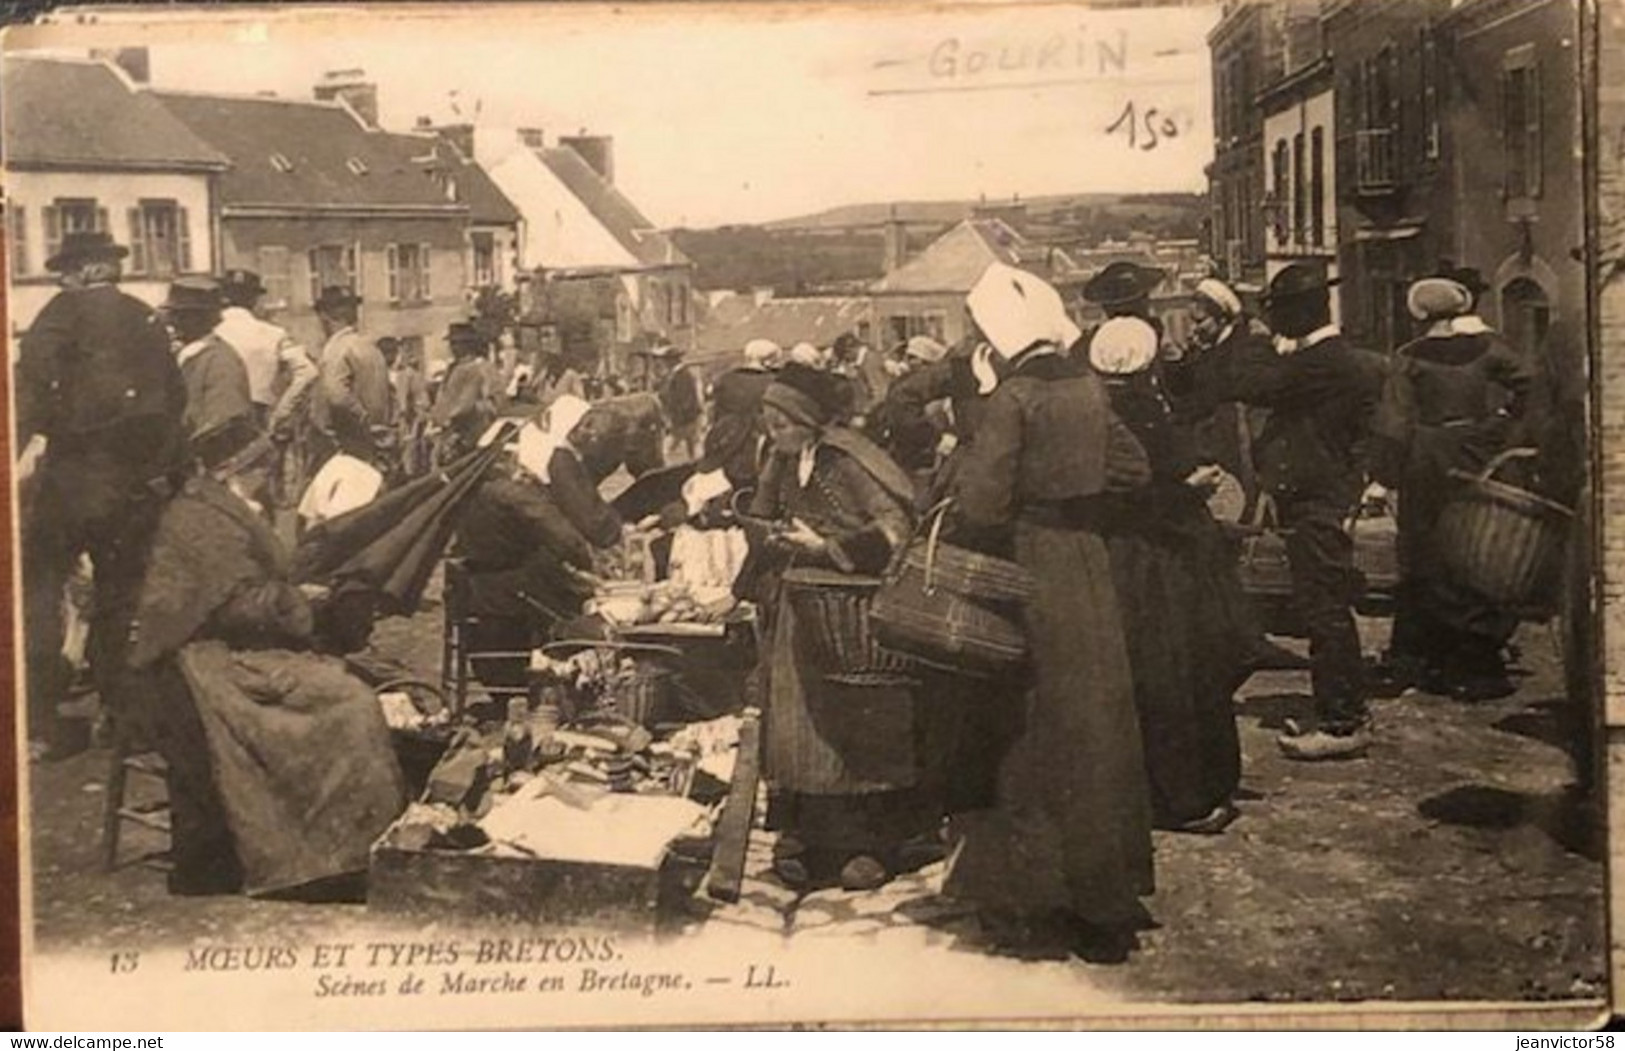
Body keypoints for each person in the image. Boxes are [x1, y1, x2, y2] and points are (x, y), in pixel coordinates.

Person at [942, 262, 1155, 963]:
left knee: (1036, 732)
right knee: (1099, 723)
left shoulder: (1014, 398)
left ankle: (1041, 897)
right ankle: (1106, 898)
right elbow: (1135, 470)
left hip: (1031, 561)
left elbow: (980, 504)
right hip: (1088, 559)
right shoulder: (1089, 387)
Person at [123, 434, 407, 896]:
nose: (270, 477)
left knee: (346, 689)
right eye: (262, 469)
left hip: (227, 648)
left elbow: (245, 591)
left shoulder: (220, 508)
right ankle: (320, 853)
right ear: (236, 469)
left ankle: (341, 846)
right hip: (197, 660)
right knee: (346, 701)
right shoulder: (202, 521)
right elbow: (233, 606)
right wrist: (299, 601)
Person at [740, 362, 941, 893]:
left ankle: (868, 844)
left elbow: (898, 529)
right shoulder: (784, 460)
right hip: (798, 610)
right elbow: (763, 515)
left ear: (808, 420)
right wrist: (764, 531)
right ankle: (807, 837)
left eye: (781, 422)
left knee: (854, 724)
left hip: (850, 608)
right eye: (767, 422)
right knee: (797, 722)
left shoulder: (848, 461)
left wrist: (830, 548)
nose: (773, 432)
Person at [16, 230, 187, 760]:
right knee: (122, 598)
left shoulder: (58, 316)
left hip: (72, 479)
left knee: (39, 591)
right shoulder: (147, 319)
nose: (61, 278)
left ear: (87, 270)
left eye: (67, 269)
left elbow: (28, 399)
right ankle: (121, 716)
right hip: (133, 486)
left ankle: (39, 722)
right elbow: (175, 403)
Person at [1218, 263, 1387, 760]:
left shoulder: (1324, 362)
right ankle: (1339, 708)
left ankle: (1343, 722)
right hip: (1318, 491)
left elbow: (1246, 382)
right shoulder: (1326, 358)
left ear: (1299, 312)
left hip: (1318, 497)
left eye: (1277, 310)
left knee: (1325, 607)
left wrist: (1253, 331)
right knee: (1322, 604)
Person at [1085, 317, 1246, 834]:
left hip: (1112, 554)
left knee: (1132, 673)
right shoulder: (1145, 411)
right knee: (1180, 668)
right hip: (1160, 557)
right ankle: (1187, 794)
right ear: (1147, 363)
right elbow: (1157, 487)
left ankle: (1141, 790)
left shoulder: (1089, 409)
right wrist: (1194, 485)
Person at [1369, 277, 1535, 701]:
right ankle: (1477, 655)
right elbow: (1529, 384)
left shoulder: (1407, 359)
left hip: (1427, 457)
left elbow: (1394, 425)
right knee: (1476, 547)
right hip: (1476, 452)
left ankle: (1427, 657)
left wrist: (1382, 478)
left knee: (1425, 550)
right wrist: (1499, 424)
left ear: (1418, 315)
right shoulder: (1487, 348)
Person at [164, 276, 258, 469]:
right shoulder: (184, 353)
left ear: (203, 317)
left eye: (182, 315)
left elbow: (225, 422)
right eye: (173, 314)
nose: (173, 322)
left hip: (209, 467)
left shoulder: (220, 360)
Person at [215, 269, 317, 438]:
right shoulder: (273, 334)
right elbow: (308, 372)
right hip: (258, 416)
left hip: (215, 420)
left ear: (222, 297)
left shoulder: (209, 333)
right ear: (254, 300)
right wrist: (282, 412)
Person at [309, 285, 390, 465]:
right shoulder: (370, 347)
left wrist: (361, 417)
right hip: (374, 444)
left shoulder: (336, 349)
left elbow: (336, 395)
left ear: (324, 316)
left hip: (346, 446)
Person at [699, 338, 780, 493]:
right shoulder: (774, 381)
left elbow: (715, 413)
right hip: (758, 444)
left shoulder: (725, 379)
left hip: (726, 441)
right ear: (767, 361)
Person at [429, 322, 500, 464]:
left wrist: (451, 418)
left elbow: (468, 404)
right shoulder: (453, 367)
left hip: (467, 432)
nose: (453, 348)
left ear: (469, 345)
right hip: (447, 432)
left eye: (458, 343)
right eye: (452, 343)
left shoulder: (478, 368)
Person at [654, 343, 706, 463]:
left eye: (665, 360)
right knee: (693, 448)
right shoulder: (675, 375)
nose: (663, 363)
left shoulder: (683, 375)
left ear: (673, 360)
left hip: (685, 420)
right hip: (686, 419)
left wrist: (675, 420)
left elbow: (686, 400)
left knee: (668, 450)